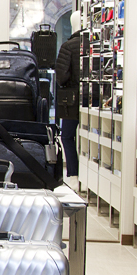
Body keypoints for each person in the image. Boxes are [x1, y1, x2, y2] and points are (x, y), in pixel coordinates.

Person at [55, 30, 81, 179]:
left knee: (67, 136)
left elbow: (62, 76)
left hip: (73, 99)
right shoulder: (95, 44)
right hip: (96, 97)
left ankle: (73, 173)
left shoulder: (68, 46)